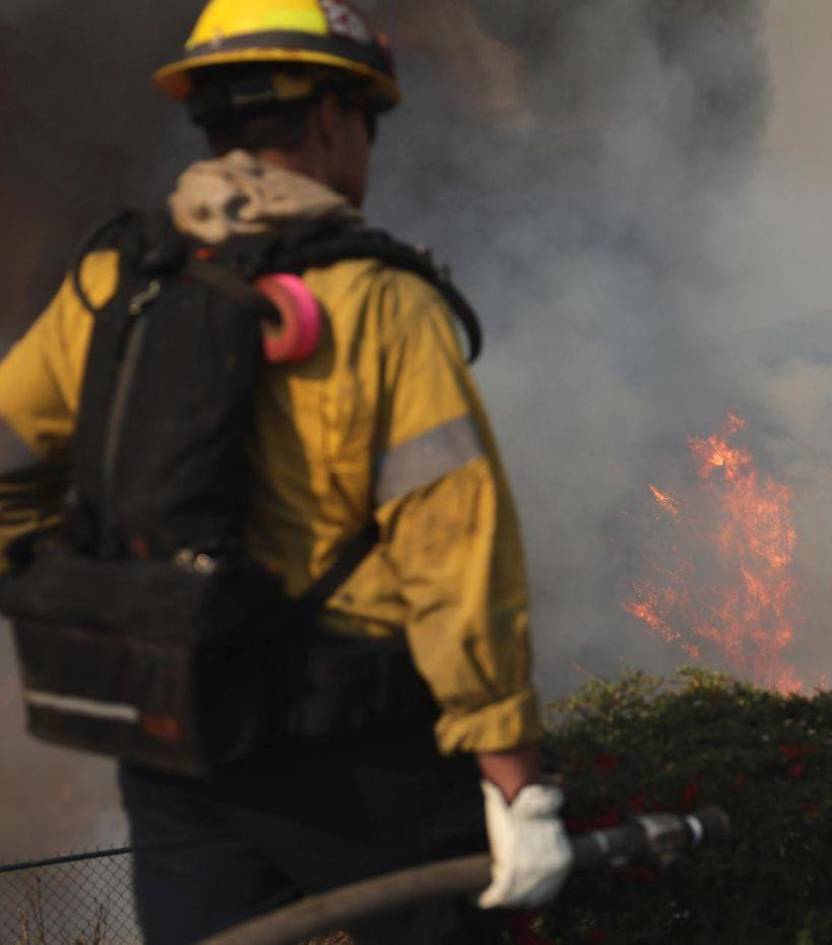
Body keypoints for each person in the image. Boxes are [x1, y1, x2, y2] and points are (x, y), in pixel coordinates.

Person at [0, 0, 571, 942]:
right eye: (368, 121)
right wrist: (514, 775)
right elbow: (454, 554)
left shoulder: (114, 281)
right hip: (352, 746)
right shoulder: (381, 304)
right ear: (331, 118)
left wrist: (79, 593)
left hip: (171, 733)